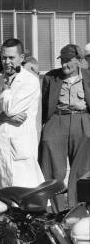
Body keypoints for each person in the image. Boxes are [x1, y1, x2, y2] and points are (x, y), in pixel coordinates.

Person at [0, 38, 44, 190]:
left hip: (19, 148)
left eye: (11, 58)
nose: (7, 62)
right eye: (4, 57)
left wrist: (7, 89)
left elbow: (12, 109)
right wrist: (2, 117)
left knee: (23, 195)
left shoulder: (30, 81)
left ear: (21, 58)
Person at [39, 44, 90, 208]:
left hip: (82, 121)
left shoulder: (89, 76)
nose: (64, 65)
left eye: (68, 60)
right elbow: (43, 106)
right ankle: (56, 212)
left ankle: (78, 210)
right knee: (54, 171)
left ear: (79, 60)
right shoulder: (50, 77)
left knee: (82, 171)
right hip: (56, 121)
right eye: (62, 60)